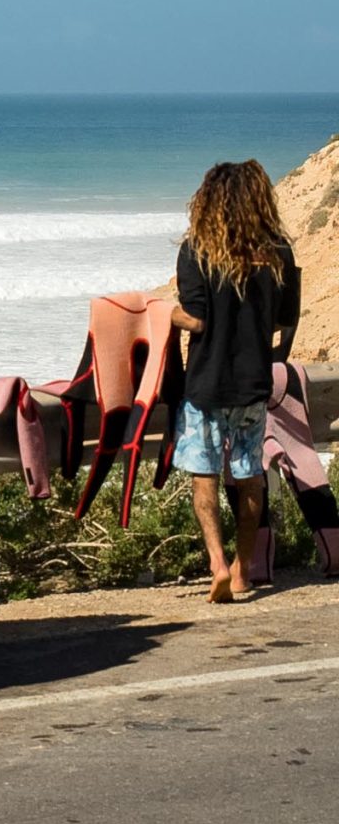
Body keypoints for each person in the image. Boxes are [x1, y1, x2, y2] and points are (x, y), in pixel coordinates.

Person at [170, 162, 300, 605]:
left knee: (204, 476)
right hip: (252, 384)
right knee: (250, 477)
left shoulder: (197, 251)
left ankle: (217, 563)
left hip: (205, 387)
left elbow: (196, 317)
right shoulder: (278, 252)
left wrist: (165, 313)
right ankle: (244, 570)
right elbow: (285, 321)